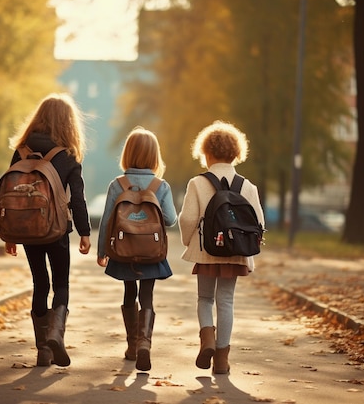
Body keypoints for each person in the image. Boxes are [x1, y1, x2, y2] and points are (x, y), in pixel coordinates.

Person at [4, 93, 92, 368]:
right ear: (68, 123)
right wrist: (84, 232)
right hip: (56, 230)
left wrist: (10, 234)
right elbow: (77, 197)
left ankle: (43, 349)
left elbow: (11, 192)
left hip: (27, 229)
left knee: (39, 283)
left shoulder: (21, 151)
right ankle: (56, 333)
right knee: (61, 284)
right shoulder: (66, 155)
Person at [178, 120, 265, 374]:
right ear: (236, 153)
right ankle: (223, 360)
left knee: (205, 298)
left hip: (206, 251)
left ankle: (207, 340)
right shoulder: (247, 186)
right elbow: (259, 221)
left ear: (206, 153)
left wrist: (189, 242)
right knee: (226, 301)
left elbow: (187, 219)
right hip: (235, 251)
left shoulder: (197, 183)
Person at [96, 126, 177, 371]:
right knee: (147, 296)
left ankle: (132, 346)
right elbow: (171, 220)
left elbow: (107, 222)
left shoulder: (117, 184)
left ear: (128, 153)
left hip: (123, 249)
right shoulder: (160, 185)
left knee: (129, 293)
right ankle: (145, 344)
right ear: (155, 156)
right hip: (151, 252)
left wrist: (102, 252)